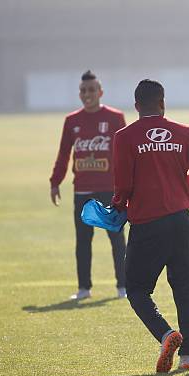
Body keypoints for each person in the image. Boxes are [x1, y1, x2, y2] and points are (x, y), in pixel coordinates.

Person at [112, 79, 189, 372]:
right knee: (183, 286)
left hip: (147, 223)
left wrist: (118, 206)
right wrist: (182, 191)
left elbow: (123, 185)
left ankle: (166, 334)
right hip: (181, 220)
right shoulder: (183, 132)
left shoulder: (125, 136)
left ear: (136, 106)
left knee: (137, 289)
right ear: (162, 102)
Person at [50, 70, 127, 300]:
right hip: (82, 190)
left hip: (110, 189)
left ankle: (122, 286)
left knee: (116, 236)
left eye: (92, 90)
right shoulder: (71, 121)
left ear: (100, 92)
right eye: (83, 90)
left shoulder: (115, 118)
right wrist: (55, 182)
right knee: (83, 240)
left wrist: (127, 185)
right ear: (79, 93)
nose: (87, 94)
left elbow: (125, 154)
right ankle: (84, 288)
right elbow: (64, 154)